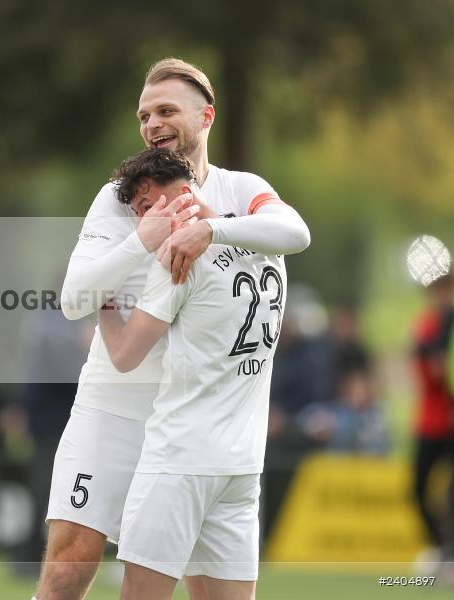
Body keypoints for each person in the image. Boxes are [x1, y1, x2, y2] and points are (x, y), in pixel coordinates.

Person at [36, 58, 310, 600]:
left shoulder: (241, 189)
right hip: (115, 406)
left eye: (166, 110)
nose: (152, 123)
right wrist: (143, 237)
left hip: (191, 421)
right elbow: (73, 299)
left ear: (207, 116)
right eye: (144, 115)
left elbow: (294, 230)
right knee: (70, 563)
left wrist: (208, 227)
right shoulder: (124, 194)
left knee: (205, 586)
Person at [94, 147, 294, 599]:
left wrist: (102, 306)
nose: (146, 221)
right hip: (240, 466)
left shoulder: (179, 257)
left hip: (178, 461)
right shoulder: (268, 248)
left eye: (148, 206)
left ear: (183, 193)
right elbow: (293, 232)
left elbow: (125, 355)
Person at [412, 274, 454, 568]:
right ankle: (441, 549)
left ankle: (448, 553)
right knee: (417, 490)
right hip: (430, 421)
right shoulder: (428, 325)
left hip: (449, 421)